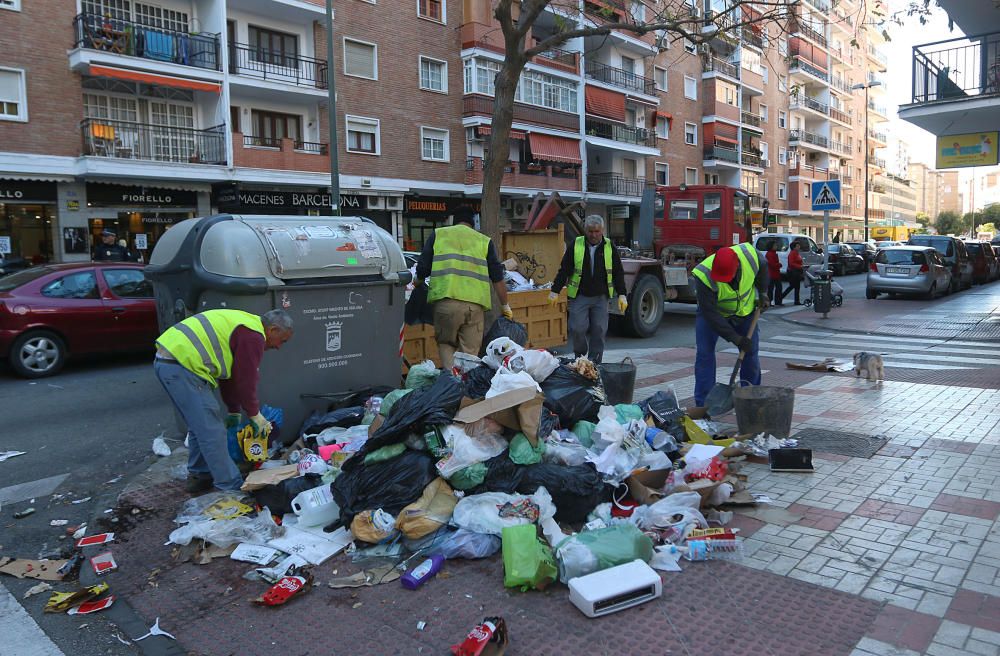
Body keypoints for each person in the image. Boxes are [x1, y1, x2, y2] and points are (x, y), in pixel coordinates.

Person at [154, 308, 294, 493]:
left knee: (201, 427)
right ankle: (230, 487)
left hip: (170, 361)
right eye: (282, 340)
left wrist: (234, 410)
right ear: (273, 329)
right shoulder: (253, 336)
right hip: (182, 365)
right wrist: (254, 414)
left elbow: (230, 375)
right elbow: (246, 380)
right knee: (213, 432)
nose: (278, 347)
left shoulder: (247, 324)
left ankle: (200, 475)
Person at [415, 207, 512, 369]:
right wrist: (505, 306)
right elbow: (497, 277)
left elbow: (423, 268)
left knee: (446, 344)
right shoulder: (483, 241)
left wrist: (416, 282)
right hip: (474, 307)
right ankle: (466, 386)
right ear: (473, 225)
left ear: (454, 221)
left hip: (445, 303)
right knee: (469, 353)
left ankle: (450, 383)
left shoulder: (438, 235)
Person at [691, 243, 768, 407]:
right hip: (713, 314)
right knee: (705, 355)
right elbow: (710, 314)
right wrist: (736, 339)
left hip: (745, 313)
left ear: (738, 265)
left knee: (751, 353)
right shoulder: (703, 274)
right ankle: (704, 405)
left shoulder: (750, 256)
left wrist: (763, 292)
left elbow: (763, 268)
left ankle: (750, 399)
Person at [549, 215, 627, 364]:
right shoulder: (576, 245)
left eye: (597, 231)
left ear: (602, 230)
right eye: (590, 231)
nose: (593, 235)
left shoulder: (610, 247)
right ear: (586, 231)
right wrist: (555, 291)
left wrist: (622, 294)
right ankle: (580, 357)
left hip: (601, 297)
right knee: (577, 328)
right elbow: (564, 269)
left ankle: (595, 361)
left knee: (599, 330)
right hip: (580, 296)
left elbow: (618, 272)